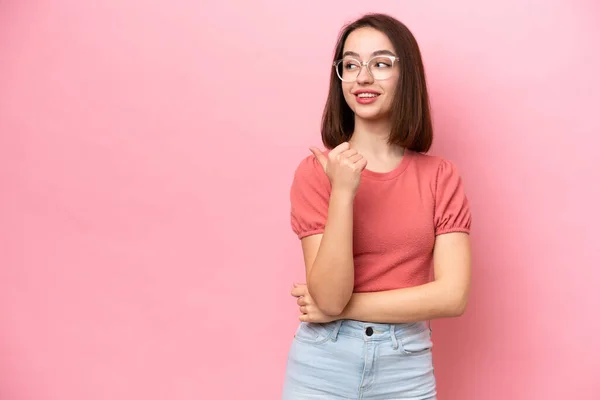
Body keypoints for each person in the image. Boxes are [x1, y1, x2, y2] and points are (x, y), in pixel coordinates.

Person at [281, 13, 472, 400]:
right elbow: (330, 295)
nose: (362, 78)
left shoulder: (440, 176)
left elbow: (452, 296)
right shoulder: (317, 172)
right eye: (350, 65)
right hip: (323, 365)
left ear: (407, 76)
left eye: (381, 64)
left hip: (406, 366)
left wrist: (339, 309)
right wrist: (343, 192)